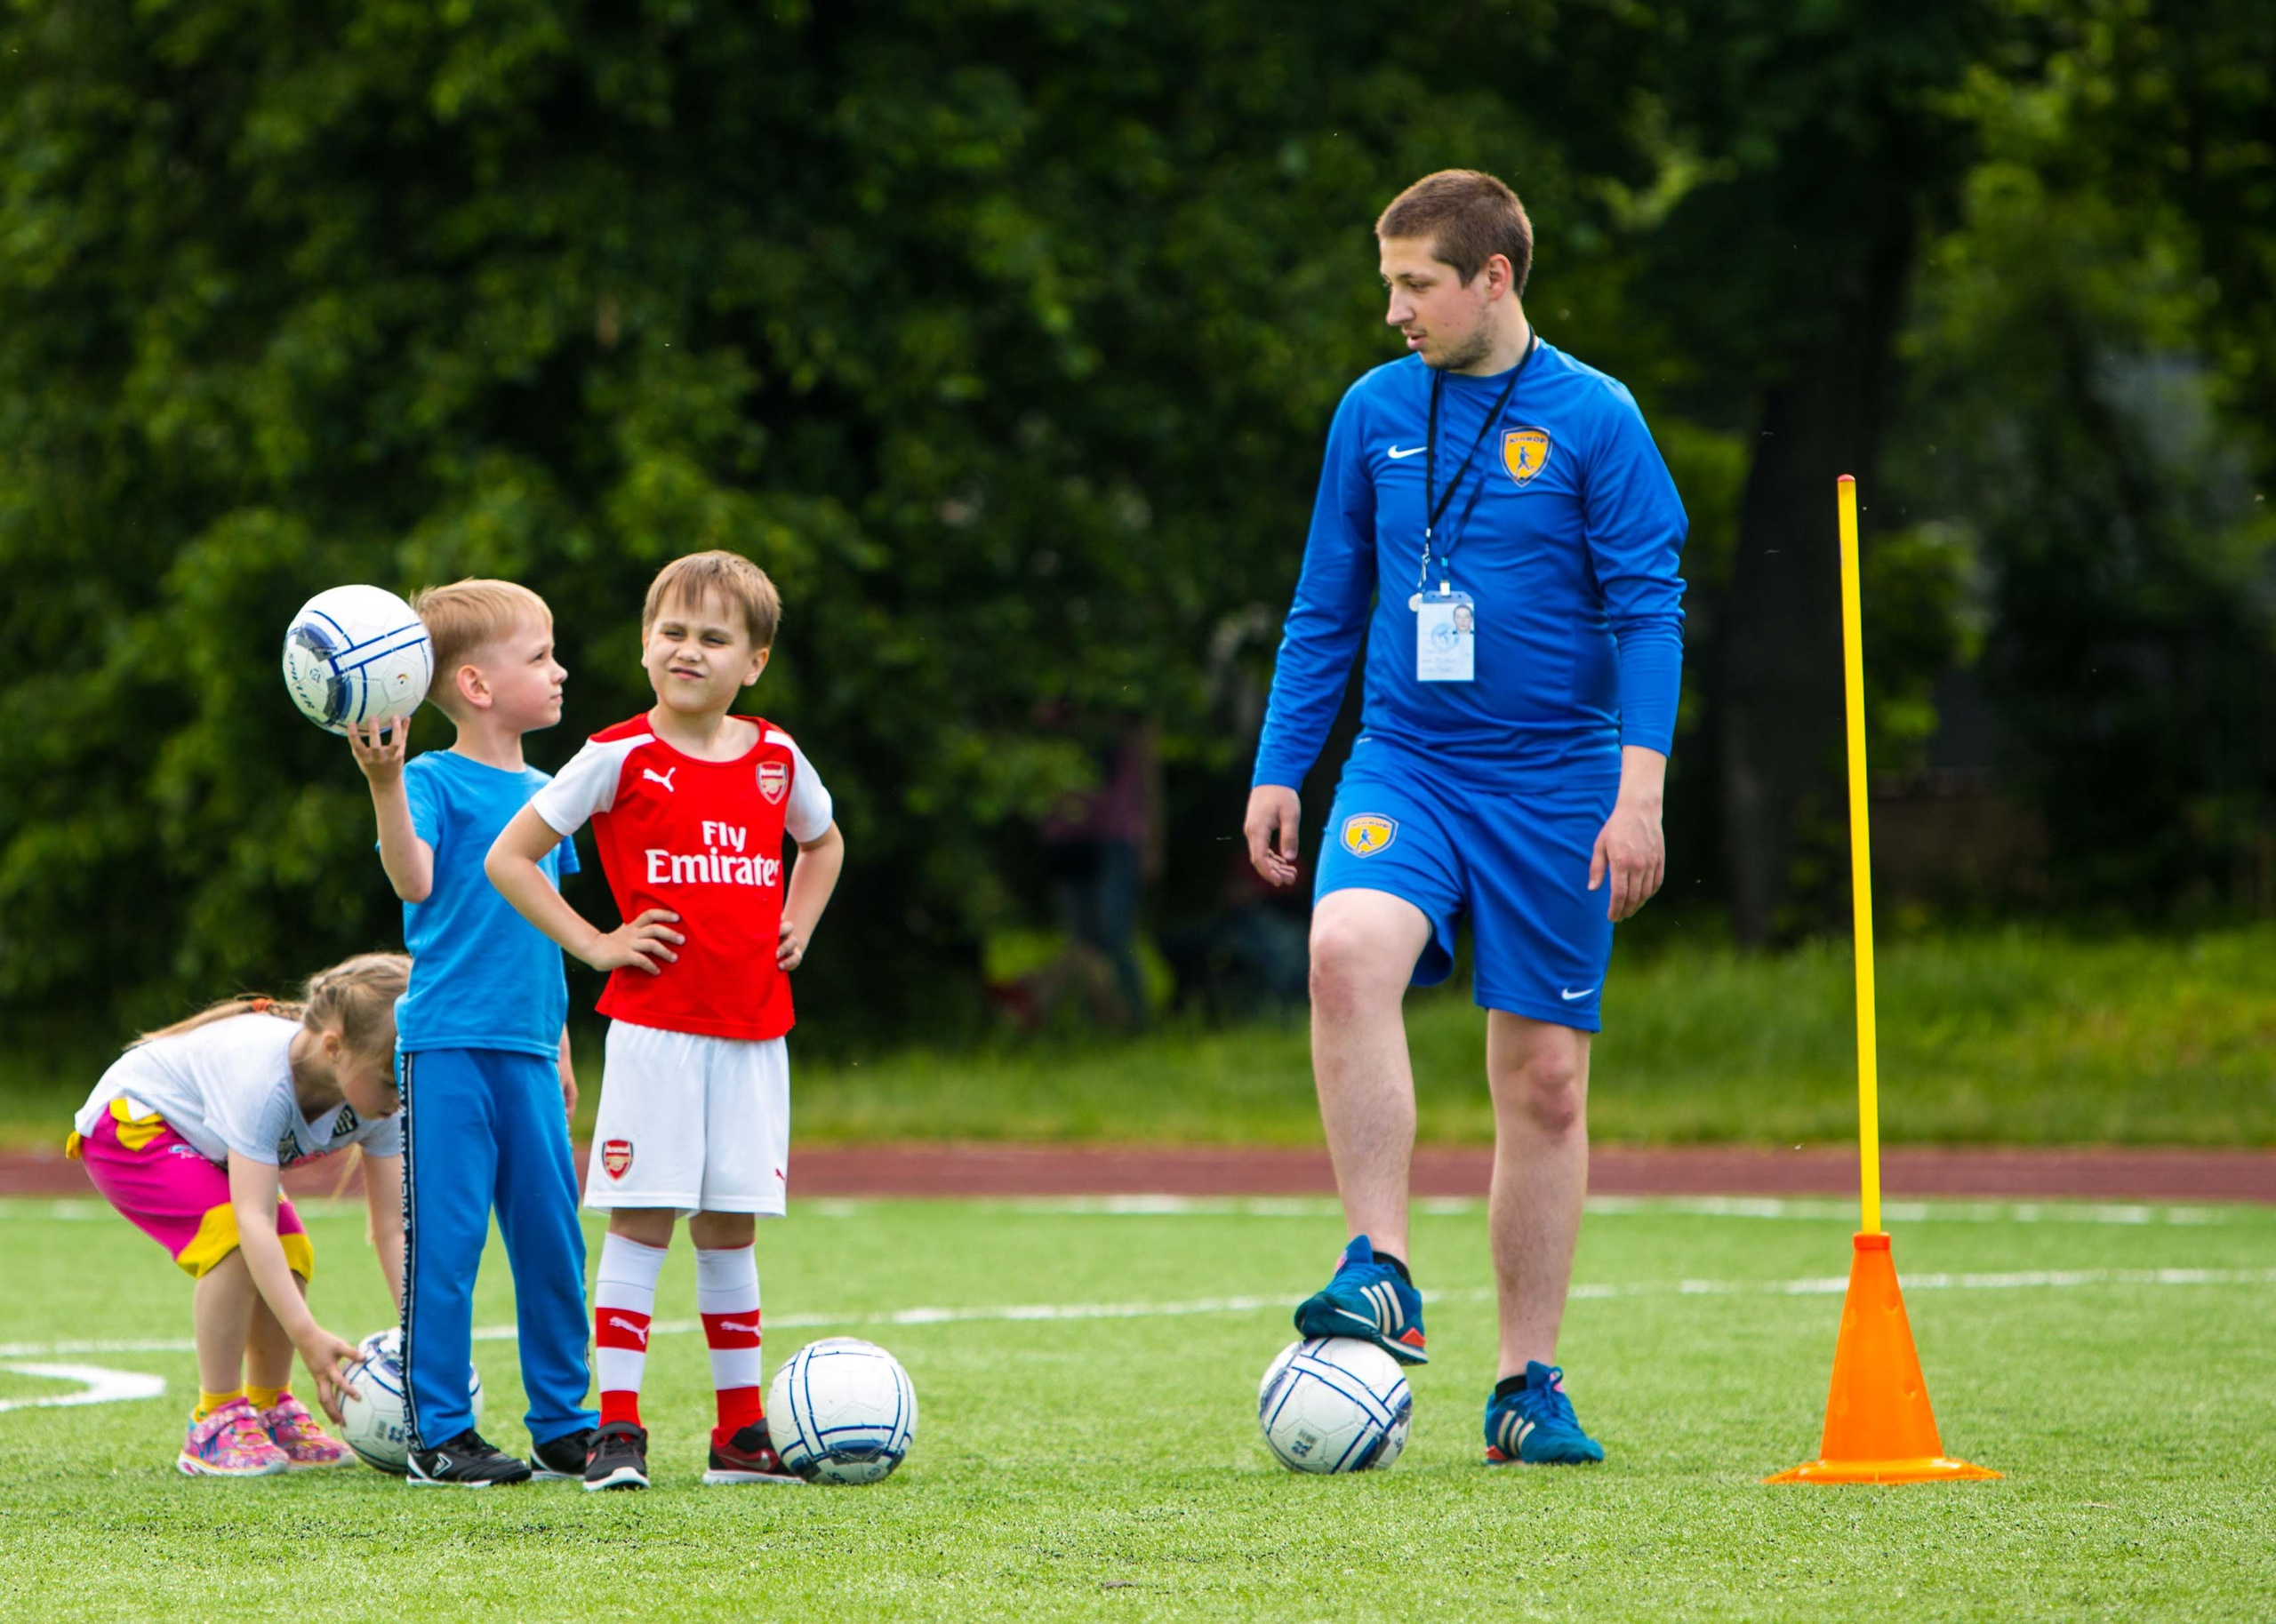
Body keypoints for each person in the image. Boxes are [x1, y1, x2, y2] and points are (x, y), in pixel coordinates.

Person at [1242, 170, 1687, 1466]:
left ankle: (1524, 1383)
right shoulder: (1372, 412)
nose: (1394, 310)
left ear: (1494, 277)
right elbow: (1326, 602)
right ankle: (1378, 1260)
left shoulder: (1598, 416)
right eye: (1388, 283)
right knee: (1342, 952)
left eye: (1416, 283)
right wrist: (1283, 763)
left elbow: (1648, 609)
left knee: (1543, 1081)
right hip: (1408, 761)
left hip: (1559, 778)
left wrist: (1638, 790)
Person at [486, 549, 845, 1492]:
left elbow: (824, 839)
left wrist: (797, 920)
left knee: (730, 1229)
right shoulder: (617, 756)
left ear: (754, 661)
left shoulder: (776, 757)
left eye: (714, 637)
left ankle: (738, 1436)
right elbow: (513, 858)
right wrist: (596, 943)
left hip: (754, 1033)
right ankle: (617, 1429)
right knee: (643, 1223)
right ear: (645, 645)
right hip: (656, 1033)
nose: (690, 650)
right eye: (673, 633)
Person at [348, 579, 597, 1488]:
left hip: (531, 1054)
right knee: (446, 1249)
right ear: (478, 686)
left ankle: (566, 1426)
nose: (560, 670)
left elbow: (552, 926)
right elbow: (412, 882)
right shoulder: (428, 779)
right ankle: (439, 1435)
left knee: (552, 1245)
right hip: (447, 1048)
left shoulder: (549, 794)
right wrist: (382, 782)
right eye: (540, 656)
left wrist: (563, 1046)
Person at [65, 955, 411, 1477]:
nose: (402, 1093)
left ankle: (269, 1405)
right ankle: (214, 1419)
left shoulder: (380, 1102)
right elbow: (251, 1220)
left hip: (202, 1142)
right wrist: (307, 1335)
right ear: (335, 1048)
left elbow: (391, 1228)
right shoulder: (264, 1078)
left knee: (291, 1248)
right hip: (131, 1127)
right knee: (232, 1240)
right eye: (391, 1079)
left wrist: (422, 1334)